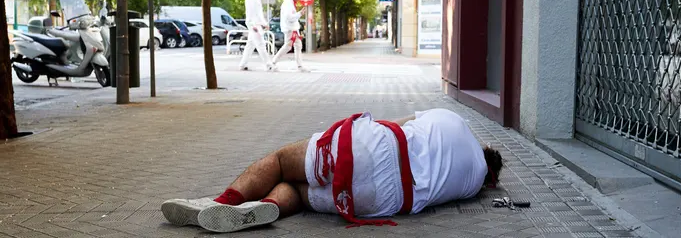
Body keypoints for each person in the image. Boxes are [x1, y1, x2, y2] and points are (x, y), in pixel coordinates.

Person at [161, 108, 503, 233]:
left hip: (375, 147)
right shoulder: (475, 184)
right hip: (384, 200)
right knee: (299, 193)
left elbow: (397, 122)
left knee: (281, 162)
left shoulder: (454, 120)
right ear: (490, 173)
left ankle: (221, 202)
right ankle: (268, 207)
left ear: (485, 146)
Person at [239, 0, 274, 71]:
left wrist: (264, 24)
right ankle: (269, 65)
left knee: (250, 46)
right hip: (254, 25)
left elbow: (259, 13)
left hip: (255, 24)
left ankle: (242, 64)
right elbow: (251, 12)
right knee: (261, 45)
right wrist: (252, 25)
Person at [271, 0, 308, 72]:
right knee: (288, 46)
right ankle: (273, 62)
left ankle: (300, 66)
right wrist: (300, 13)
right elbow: (289, 17)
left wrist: (299, 14)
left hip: (292, 28)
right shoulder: (288, 4)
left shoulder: (291, 3)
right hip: (289, 28)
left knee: (298, 45)